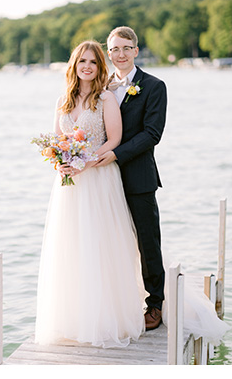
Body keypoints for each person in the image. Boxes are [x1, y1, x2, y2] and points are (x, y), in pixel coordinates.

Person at [34, 40, 147, 348]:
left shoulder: (106, 98)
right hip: (69, 185)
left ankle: (108, 318)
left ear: (100, 67)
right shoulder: (63, 100)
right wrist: (60, 163)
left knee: (101, 244)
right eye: (82, 61)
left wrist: (85, 162)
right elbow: (56, 142)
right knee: (72, 247)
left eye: (93, 62)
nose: (87, 66)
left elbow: (114, 139)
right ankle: (74, 317)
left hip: (98, 178)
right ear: (74, 65)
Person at [91, 26, 167, 330]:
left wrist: (117, 154)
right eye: (114, 49)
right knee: (109, 242)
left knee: (148, 242)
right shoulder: (102, 87)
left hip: (138, 177)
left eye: (125, 48)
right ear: (108, 54)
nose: (120, 54)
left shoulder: (153, 86)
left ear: (136, 51)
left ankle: (156, 304)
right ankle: (116, 301)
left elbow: (152, 133)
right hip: (102, 179)